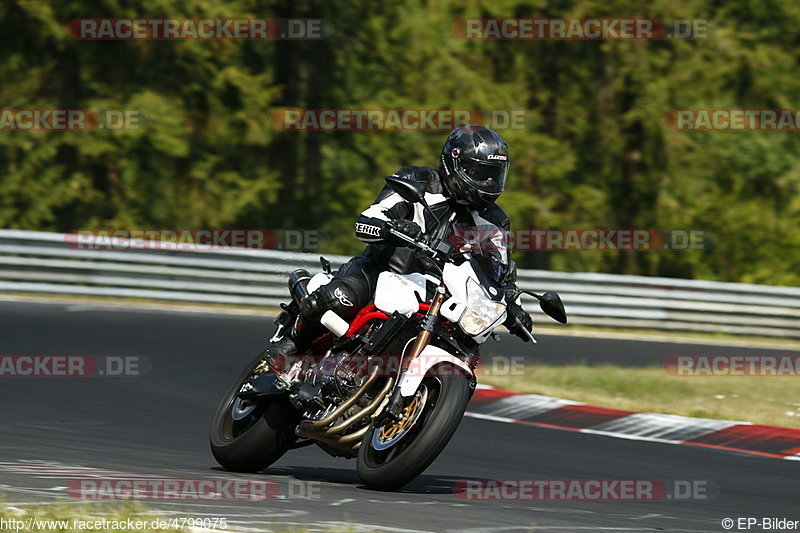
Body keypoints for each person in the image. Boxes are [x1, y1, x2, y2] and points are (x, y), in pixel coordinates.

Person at [270, 124, 533, 357]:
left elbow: (500, 276)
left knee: (462, 340)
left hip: (434, 297)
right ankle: (290, 346)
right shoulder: (417, 181)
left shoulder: (495, 222)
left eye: (494, 174)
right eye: (479, 172)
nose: (487, 181)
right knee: (339, 299)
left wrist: (516, 310)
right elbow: (368, 219)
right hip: (379, 272)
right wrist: (392, 228)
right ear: (454, 164)